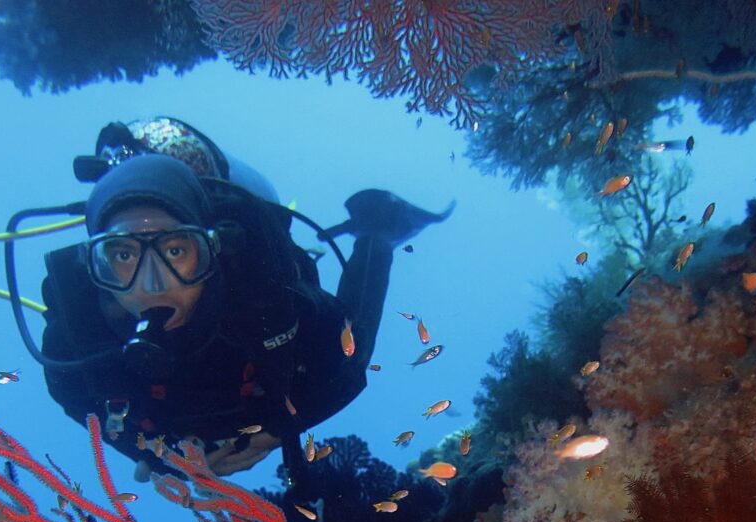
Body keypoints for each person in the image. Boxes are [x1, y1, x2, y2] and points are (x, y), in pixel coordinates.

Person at [39, 117, 452, 482]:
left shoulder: (258, 290)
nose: (153, 284)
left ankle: (377, 229)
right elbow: (74, 398)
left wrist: (282, 430)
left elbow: (348, 365)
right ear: (98, 265)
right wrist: (158, 459)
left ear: (210, 250)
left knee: (353, 340)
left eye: (176, 251)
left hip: (266, 319)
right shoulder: (77, 334)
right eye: (124, 255)